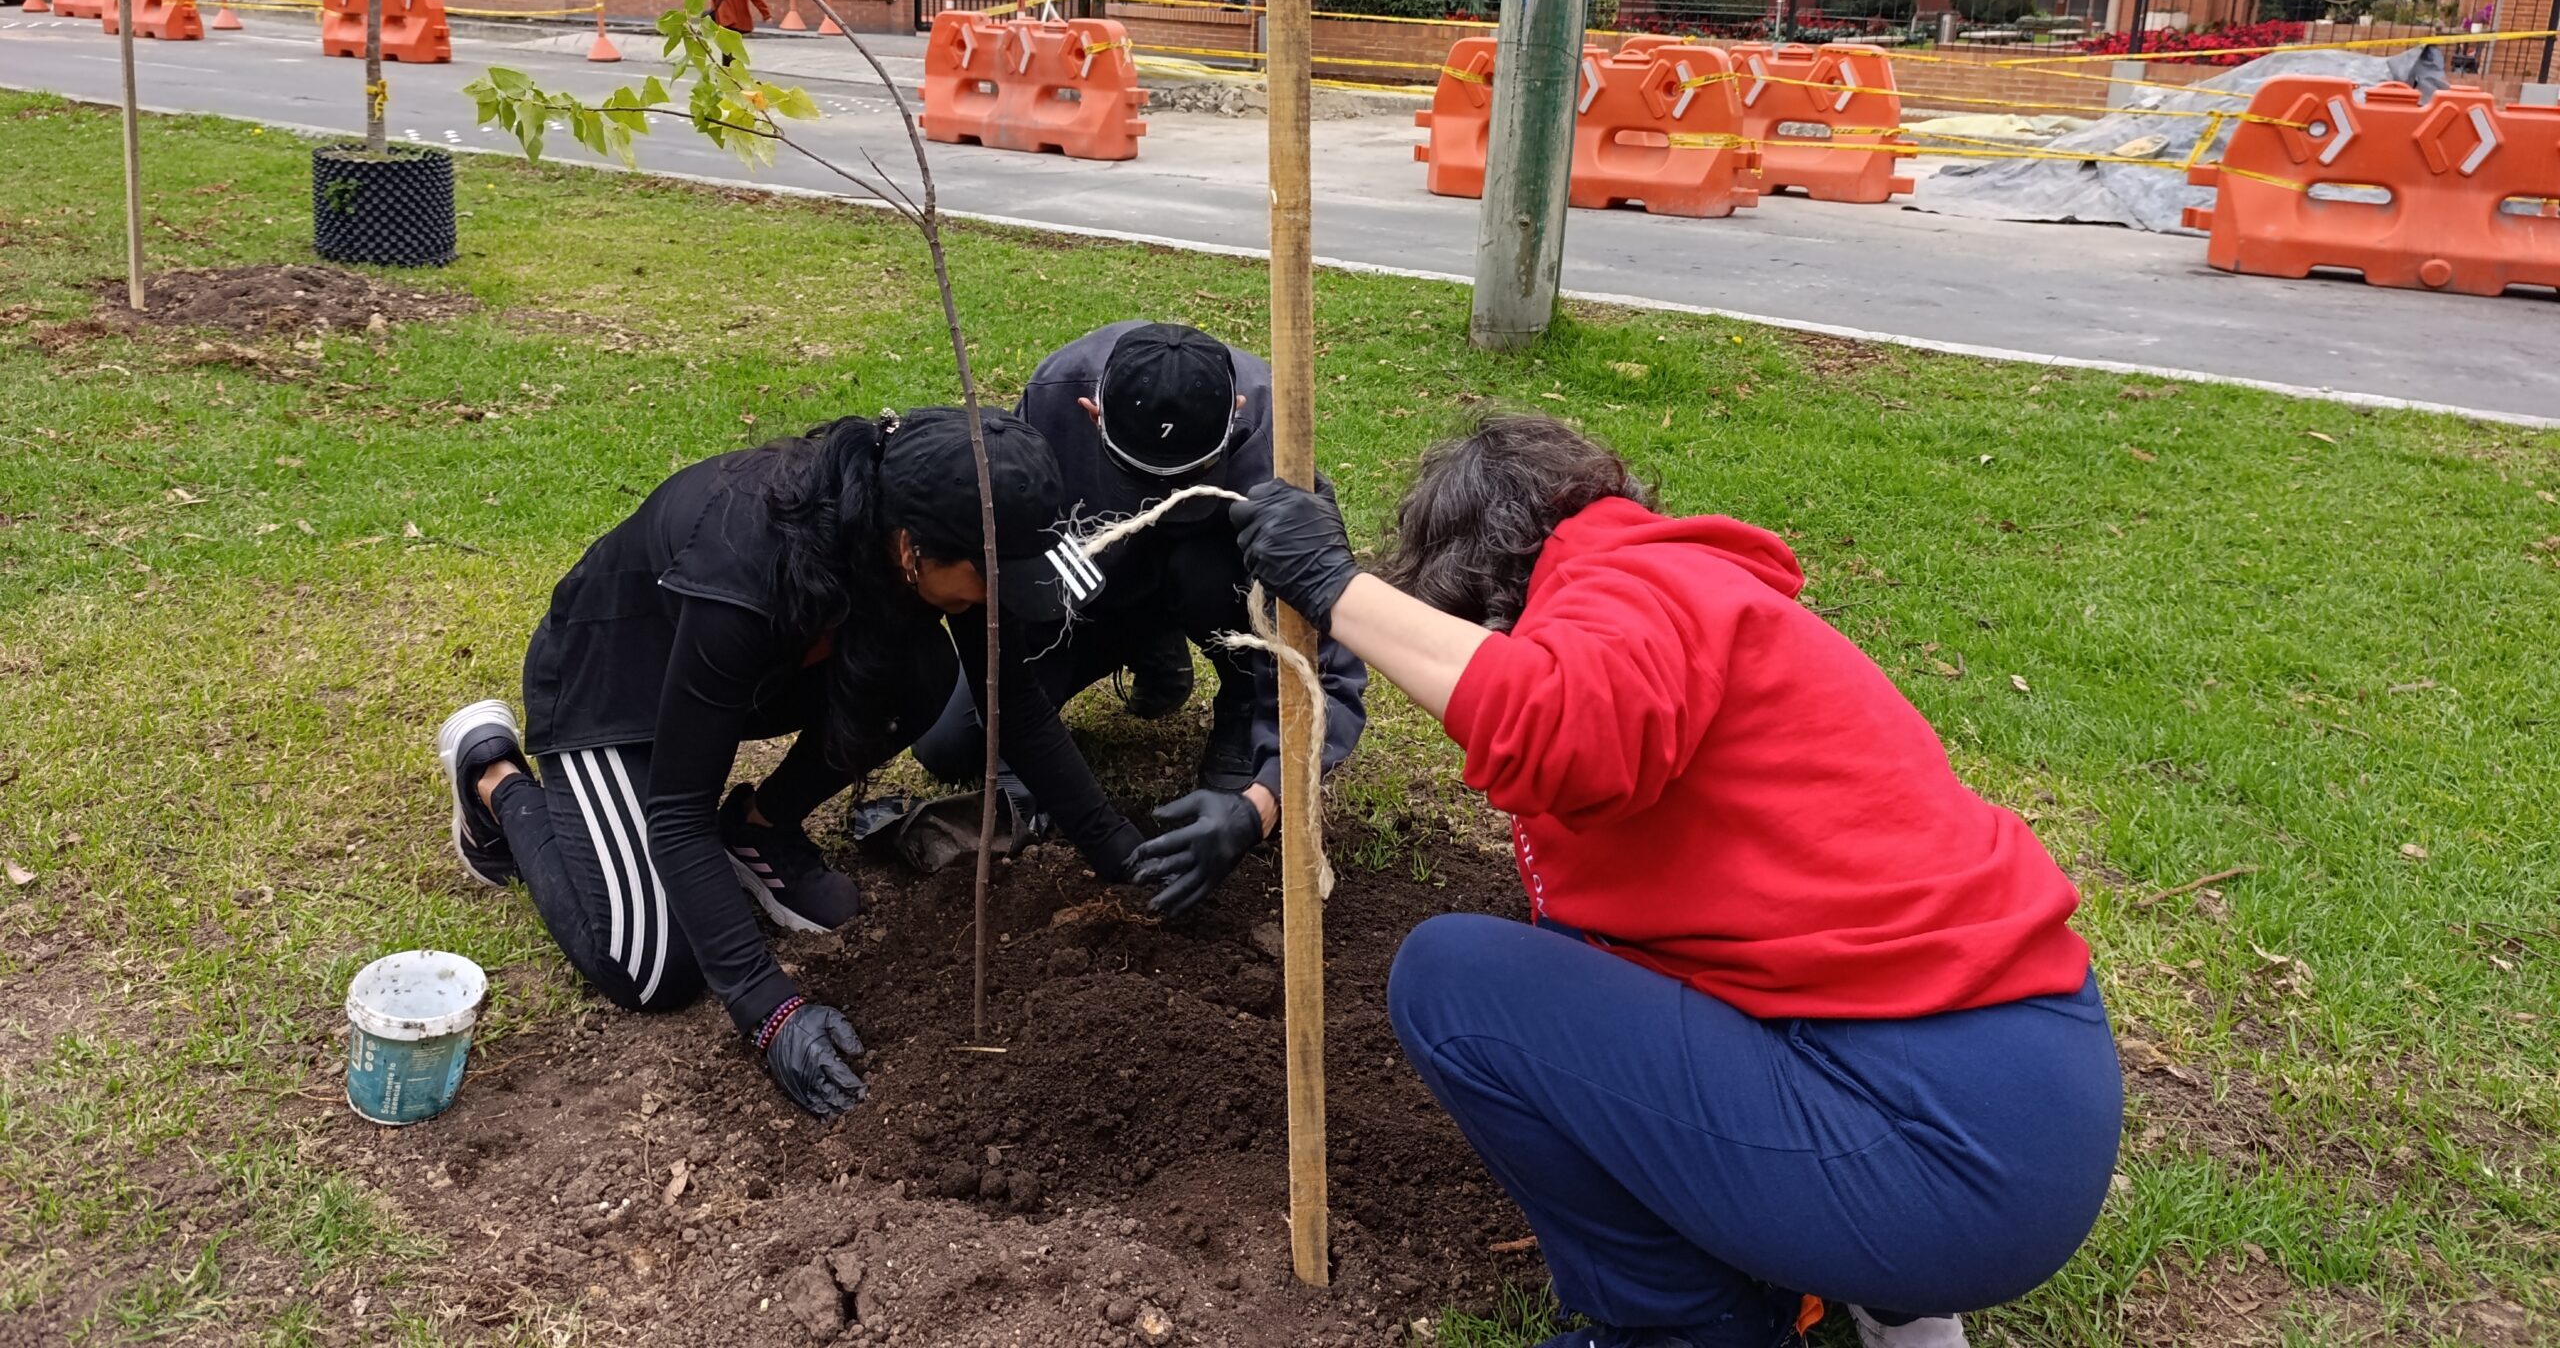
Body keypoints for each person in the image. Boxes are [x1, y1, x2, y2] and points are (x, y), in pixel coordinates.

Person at [1227, 417, 2122, 1348]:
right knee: (1581, 974)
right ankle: (1884, 1290)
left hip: (1945, 1156)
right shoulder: (1688, 593)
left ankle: (1690, 1325)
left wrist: (1339, 590)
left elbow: (1557, 729)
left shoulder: (1621, 586)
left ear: (1482, 580)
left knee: (1454, 984)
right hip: (2011, 1110)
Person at [432, 408, 1148, 1116]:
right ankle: (495, 779)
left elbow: (1013, 705)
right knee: (653, 969)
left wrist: (1120, 852)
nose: (1003, 598)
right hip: (613, 690)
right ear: (912, 549)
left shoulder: (939, 511)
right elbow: (677, 815)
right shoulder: (747, 561)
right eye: (994, 579)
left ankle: (758, 828)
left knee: (918, 674)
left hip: (752, 673)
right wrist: (769, 1009)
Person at [910, 322, 1367, 914]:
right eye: (1139, 482)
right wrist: (1021, 748)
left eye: (1188, 482)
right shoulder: (1053, 399)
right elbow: (1019, 558)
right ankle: (1144, 640)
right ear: (1093, 414)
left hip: (1212, 587)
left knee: (1202, 569)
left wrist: (1263, 801)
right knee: (948, 746)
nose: (1163, 501)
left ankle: (1236, 708)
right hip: (1095, 590)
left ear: (1237, 412)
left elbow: (1328, 665)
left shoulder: (1279, 445)